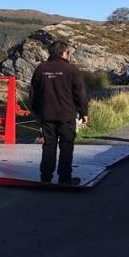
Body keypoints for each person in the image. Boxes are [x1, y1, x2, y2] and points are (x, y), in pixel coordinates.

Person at [28, 40, 89, 186]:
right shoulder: (72, 69)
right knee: (66, 146)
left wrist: (37, 113)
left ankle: (45, 178)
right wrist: (83, 112)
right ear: (63, 52)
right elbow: (80, 93)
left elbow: (33, 94)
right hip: (66, 115)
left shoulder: (41, 69)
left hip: (47, 115)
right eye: (68, 52)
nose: (68, 55)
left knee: (49, 145)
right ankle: (64, 179)